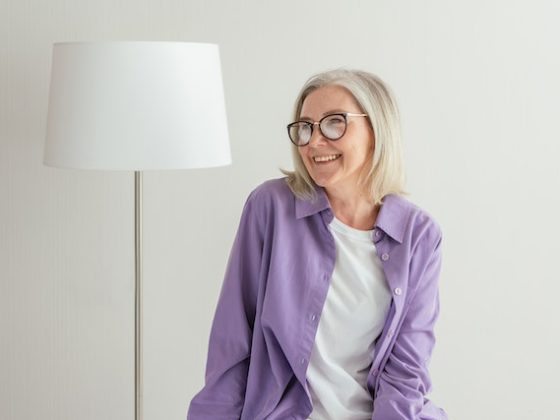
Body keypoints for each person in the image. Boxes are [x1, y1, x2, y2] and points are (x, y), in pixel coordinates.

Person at [187, 69, 448, 420]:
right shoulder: (271, 208)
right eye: (306, 127)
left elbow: (406, 371)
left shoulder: (419, 235)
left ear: (376, 130)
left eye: (334, 123)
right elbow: (232, 346)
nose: (314, 141)